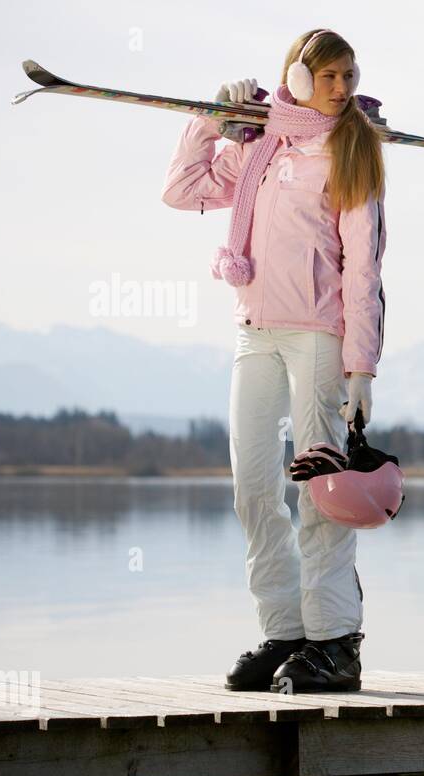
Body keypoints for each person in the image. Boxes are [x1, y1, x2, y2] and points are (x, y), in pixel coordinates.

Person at [161, 28, 386, 693]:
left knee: (320, 491)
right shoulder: (258, 144)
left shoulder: (352, 148)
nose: (341, 88)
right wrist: (208, 119)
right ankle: (285, 631)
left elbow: (364, 268)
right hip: (254, 331)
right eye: (328, 77)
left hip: (318, 331)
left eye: (349, 76)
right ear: (296, 78)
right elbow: (181, 189)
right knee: (253, 485)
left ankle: (335, 644)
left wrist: (361, 367)